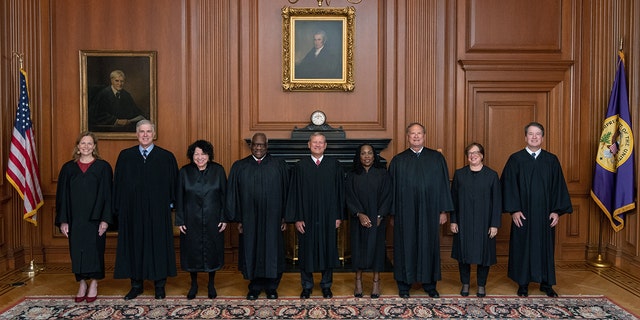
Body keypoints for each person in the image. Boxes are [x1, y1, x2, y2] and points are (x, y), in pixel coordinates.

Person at [501, 122, 573, 298]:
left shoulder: (551, 160)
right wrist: (514, 210)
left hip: (544, 214)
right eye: (531, 134)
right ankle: (523, 283)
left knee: (545, 247)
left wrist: (556, 211)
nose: (534, 137)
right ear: (525, 137)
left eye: (538, 134)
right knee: (522, 247)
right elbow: (508, 186)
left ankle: (546, 283)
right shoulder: (515, 159)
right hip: (523, 214)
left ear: (542, 137)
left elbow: (558, 187)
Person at [113, 120, 179, 300]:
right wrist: (119, 211)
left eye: (148, 131)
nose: (145, 135)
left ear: (154, 134)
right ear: (136, 134)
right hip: (132, 213)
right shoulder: (125, 156)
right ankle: (136, 285)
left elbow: (174, 186)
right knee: (134, 246)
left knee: (158, 246)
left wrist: (171, 207)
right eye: (141, 131)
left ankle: (159, 285)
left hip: (158, 213)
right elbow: (117, 186)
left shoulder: (166, 157)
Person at [389, 122, 454, 298]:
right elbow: (392, 189)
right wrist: (393, 213)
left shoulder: (436, 158)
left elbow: (443, 185)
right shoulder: (398, 160)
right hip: (405, 213)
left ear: (424, 136)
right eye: (412, 133)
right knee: (405, 245)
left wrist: (443, 211)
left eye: (419, 133)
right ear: (407, 137)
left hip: (430, 211)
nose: (416, 136)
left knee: (429, 245)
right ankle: (404, 285)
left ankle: (430, 284)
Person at [227, 133, 289, 300]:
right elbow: (234, 194)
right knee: (251, 249)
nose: (258, 148)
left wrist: (284, 217)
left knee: (272, 251)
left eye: (262, 145)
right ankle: (254, 287)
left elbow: (287, 193)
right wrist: (238, 219)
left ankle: (271, 287)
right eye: (255, 145)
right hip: (249, 219)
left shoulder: (279, 165)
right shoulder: (240, 166)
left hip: (273, 219)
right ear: (251, 145)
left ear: (267, 146)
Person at [55, 131, 113, 303]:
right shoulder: (68, 168)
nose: (86, 146)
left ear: (94, 147)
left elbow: (108, 196)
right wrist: (64, 220)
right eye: (83, 143)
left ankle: (94, 283)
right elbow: (62, 196)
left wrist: (105, 220)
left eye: (90, 143)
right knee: (76, 251)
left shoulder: (103, 167)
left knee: (96, 251)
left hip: (95, 219)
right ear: (78, 146)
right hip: (75, 219)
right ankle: (81, 283)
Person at [285, 132, 345, 299]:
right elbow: (294, 194)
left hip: (329, 216)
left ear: (325, 145)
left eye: (321, 143)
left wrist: (338, 216)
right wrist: (297, 218)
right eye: (314, 142)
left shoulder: (334, 166)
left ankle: (326, 285)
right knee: (306, 251)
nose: (317, 145)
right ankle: (307, 285)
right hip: (306, 217)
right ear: (309, 145)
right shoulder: (300, 167)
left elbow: (341, 193)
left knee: (328, 249)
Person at [176, 140, 228, 300]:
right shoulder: (184, 172)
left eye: (203, 154)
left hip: (213, 219)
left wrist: (224, 218)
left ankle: (211, 284)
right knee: (192, 252)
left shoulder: (218, 170)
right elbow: (179, 197)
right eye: (196, 154)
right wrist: (180, 220)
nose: (199, 157)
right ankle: (194, 284)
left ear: (208, 155)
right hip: (191, 219)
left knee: (212, 251)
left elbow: (225, 197)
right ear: (192, 156)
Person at [450, 142, 502, 298]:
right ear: (467, 157)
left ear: (482, 155)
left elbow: (497, 202)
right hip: (463, 221)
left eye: (476, 153)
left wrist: (494, 224)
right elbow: (453, 201)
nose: (473, 155)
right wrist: (453, 220)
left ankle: (481, 285)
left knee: (484, 256)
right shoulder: (459, 174)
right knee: (463, 254)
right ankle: (465, 283)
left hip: (485, 222)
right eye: (470, 153)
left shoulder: (492, 175)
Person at [345, 143, 391, 299]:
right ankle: (358, 281)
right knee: (358, 250)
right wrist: (359, 214)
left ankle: (376, 282)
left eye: (369, 153)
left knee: (377, 250)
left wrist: (379, 216)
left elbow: (387, 196)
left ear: (374, 155)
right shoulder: (352, 175)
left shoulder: (382, 174)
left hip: (377, 219)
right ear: (359, 156)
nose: (366, 156)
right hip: (358, 220)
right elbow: (348, 196)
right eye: (363, 153)